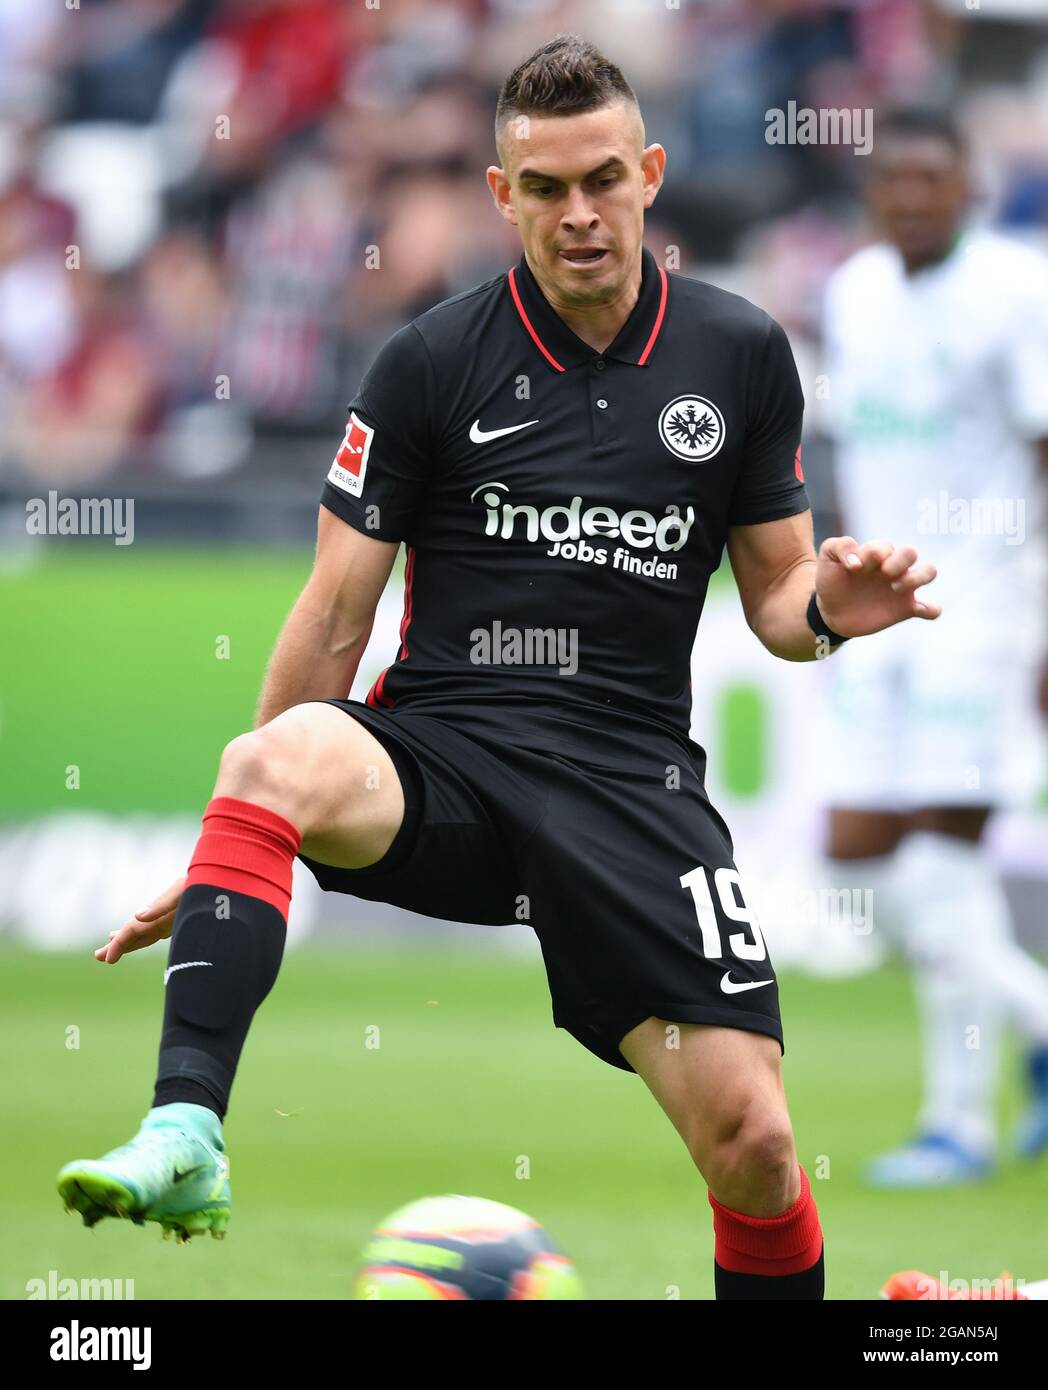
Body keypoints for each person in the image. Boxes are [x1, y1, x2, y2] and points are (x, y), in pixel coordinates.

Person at [57, 37, 939, 1301]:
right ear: (499, 193)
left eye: (600, 180)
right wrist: (237, 830)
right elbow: (334, 614)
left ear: (648, 173)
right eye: (543, 189)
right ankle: (186, 1130)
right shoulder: (428, 363)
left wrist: (836, 611)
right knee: (275, 751)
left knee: (755, 1147)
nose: (576, 216)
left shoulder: (740, 354)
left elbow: (778, 607)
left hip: (631, 787)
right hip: (447, 760)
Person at [819, 107, 1048, 1188]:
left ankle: (955, 1121)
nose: (910, 196)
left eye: (930, 177)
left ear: (967, 189)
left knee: (939, 863)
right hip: (878, 615)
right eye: (892, 179)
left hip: (981, 613)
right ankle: (1036, 1030)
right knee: (859, 854)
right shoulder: (854, 292)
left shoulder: (1019, 290)